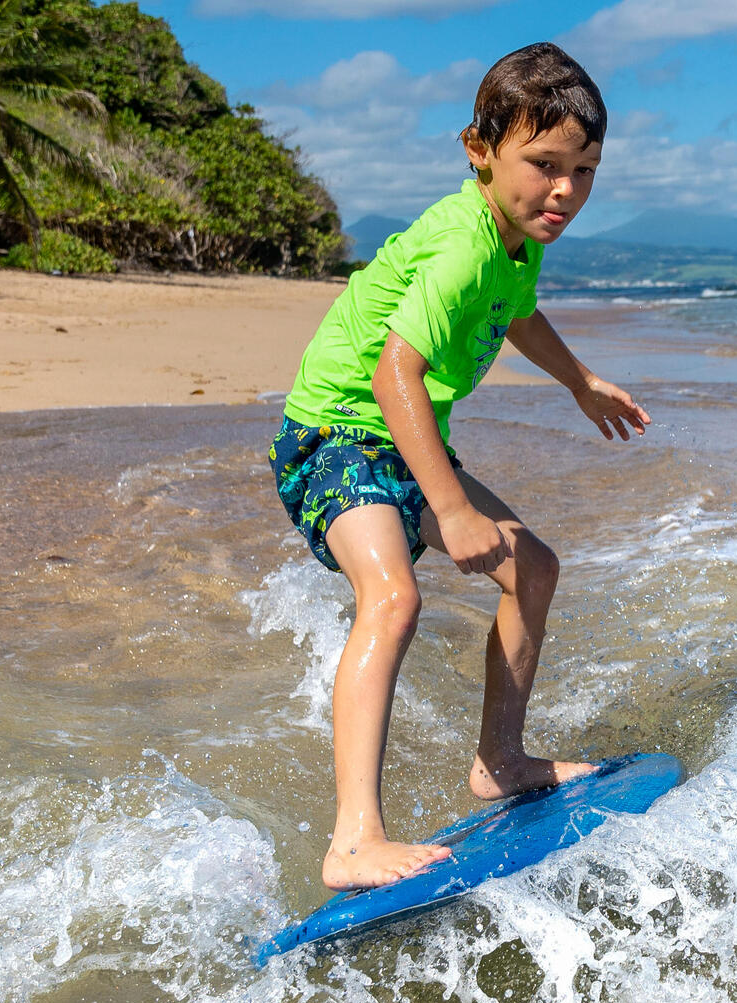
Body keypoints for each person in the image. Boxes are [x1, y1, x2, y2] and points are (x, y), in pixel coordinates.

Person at [269, 41, 650, 892]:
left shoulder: (517, 241)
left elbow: (519, 315)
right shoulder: (463, 246)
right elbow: (391, 372)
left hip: (398, 437)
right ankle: (354, 839)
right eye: (544, 164)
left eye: (584, 170)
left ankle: (501, 760)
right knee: (394, 595)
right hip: (335, 432)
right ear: (479, 150)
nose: (565, 191)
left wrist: (581, 381)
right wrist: (454, 507)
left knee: (536, 571)